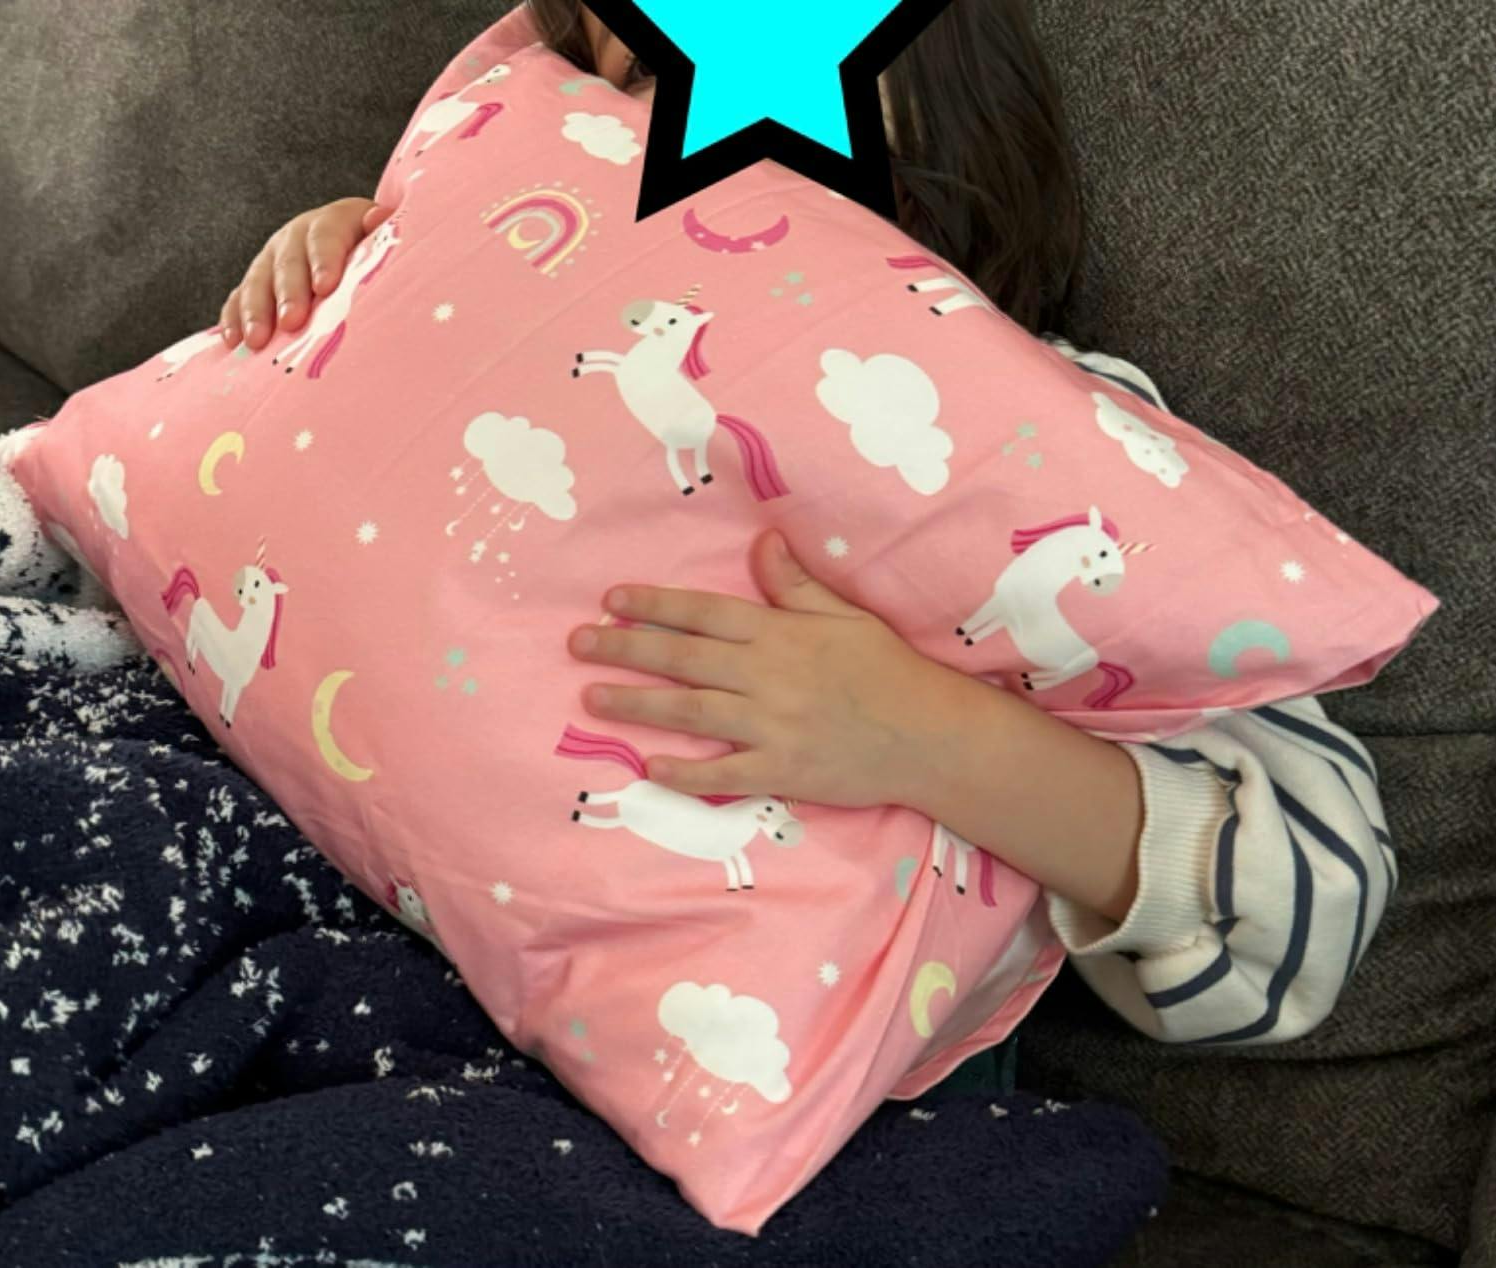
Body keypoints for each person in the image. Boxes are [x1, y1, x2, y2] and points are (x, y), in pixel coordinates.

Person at [216, 0, 1395, 1047]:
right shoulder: (538, 348)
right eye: (643, 77)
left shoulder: (1035, 437)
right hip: (290, 849)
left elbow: (1310, 895)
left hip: (683, 1048)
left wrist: (921, 732)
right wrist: (365, 275)